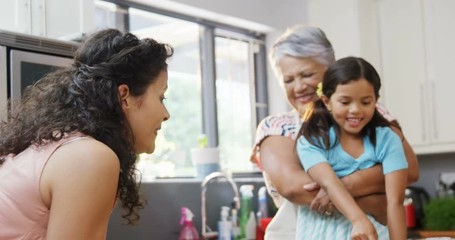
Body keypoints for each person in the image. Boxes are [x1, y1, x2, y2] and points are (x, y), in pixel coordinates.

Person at [0, 29, 173, 239]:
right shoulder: (89, 158)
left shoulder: (63, 146)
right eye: (161, 97)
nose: (166, 115)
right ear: (125, 96)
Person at [250, 25, 419, 240]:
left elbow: (410, 169)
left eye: (307, 74)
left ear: (331, 70)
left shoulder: (373, 114)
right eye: (288, 79)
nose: (299, 87)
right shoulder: (276, 127)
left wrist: (342, 186)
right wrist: (374, 202)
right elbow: (294, 188)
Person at [296, 56, 408, 239]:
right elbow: (329, 183)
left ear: (376, 100)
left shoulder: (388, 140)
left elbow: (395, 202)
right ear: (327, 101)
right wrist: (358, 220)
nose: (355, 110)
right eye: (345, 102)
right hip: (322, 231)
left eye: (365, 102)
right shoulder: (312, 141)